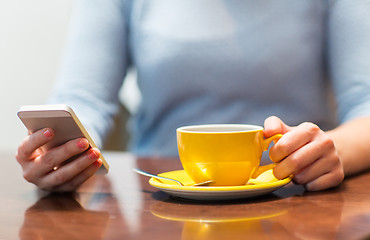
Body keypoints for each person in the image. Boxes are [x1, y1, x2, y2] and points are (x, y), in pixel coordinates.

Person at [16, 0, 370, 192]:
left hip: (294, 193)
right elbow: (84, 98)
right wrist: (59, 151)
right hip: (161, 204)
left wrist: (330, 150)